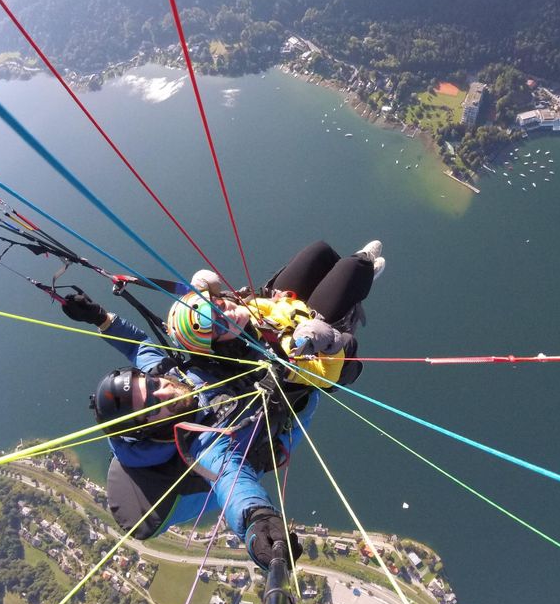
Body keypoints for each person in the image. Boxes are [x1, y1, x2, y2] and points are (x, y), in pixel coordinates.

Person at [61, 240, 384, 569]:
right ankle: (365, 267)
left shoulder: (170, 376)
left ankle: (357, 268)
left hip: (257, 333)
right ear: (157, 428)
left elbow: (138, 347)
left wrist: (100, 317)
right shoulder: (204, 443)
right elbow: (232, 485)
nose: (164, 390)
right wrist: (257, 523)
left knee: (320, 253)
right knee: (352, 270)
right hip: (300, 365)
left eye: (154, 384)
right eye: (155, 405)